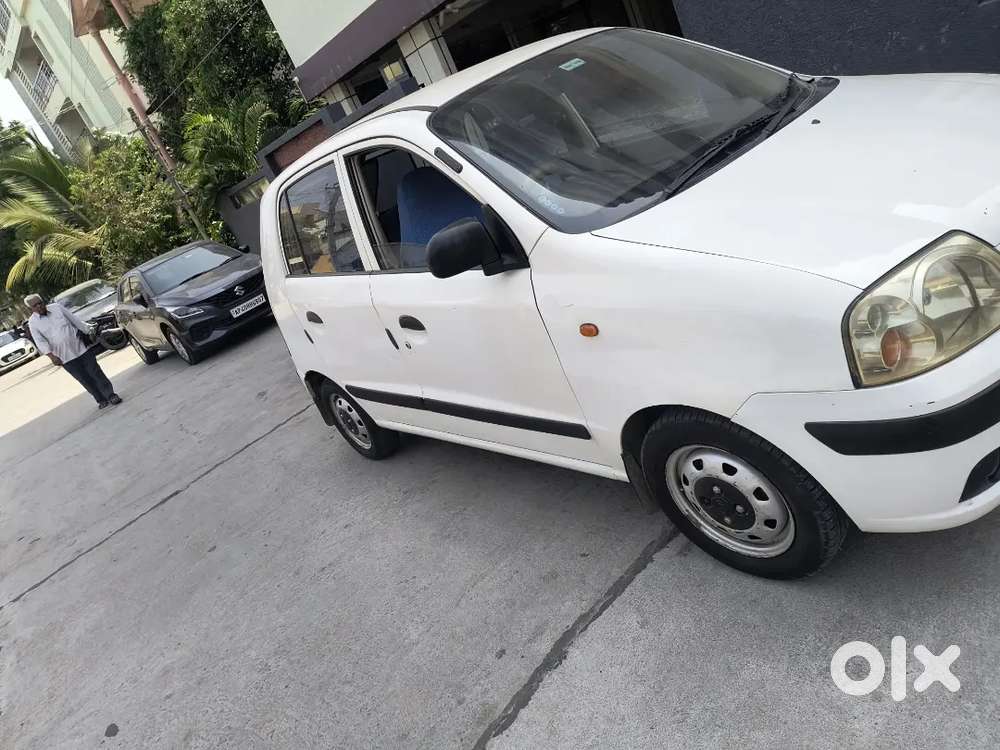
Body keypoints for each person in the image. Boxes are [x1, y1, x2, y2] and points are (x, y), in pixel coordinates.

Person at [25, 293, 122, 409]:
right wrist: (52, 357)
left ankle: (111, 395)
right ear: (31, 309)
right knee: (84, 379)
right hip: (64, 357)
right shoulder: (33, 322)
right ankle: (100, 399)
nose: (39, 306)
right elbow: (40, 341)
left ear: (43, 302)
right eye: (35, 306)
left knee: (96, 372)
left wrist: (89, 332)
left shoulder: (57, 308)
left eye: (40, 303)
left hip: (80, 348)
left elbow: (75, 320)